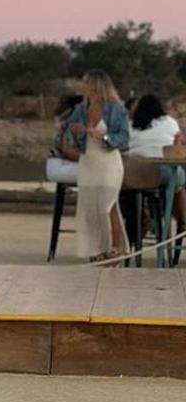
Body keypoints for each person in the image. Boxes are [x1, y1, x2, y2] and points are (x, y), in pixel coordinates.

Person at [66, 70, 130, 263]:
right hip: (89, 163)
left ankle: (115, 248)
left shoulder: (116, 109)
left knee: (108, 205)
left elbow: (124, 138)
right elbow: (70, 137)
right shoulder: (80, 109)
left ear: (95, 85)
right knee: (89, 208)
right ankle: (96, 249)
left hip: (108, 162)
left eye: (85, 82)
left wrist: (103, 136)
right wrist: (77, 132)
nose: (82, 86)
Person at [128, 93, 186, 224]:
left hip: (136, 174)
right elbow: (176, 143)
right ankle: (181, 220)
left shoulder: (131, 125)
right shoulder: (170, 122)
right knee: (177, 181)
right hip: (164, 172)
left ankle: (144, 218)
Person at [46, 94, 84, 185]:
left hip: (56, 165)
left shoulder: (64, 122)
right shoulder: (72, 123)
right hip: (61, 165)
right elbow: (67, 150)